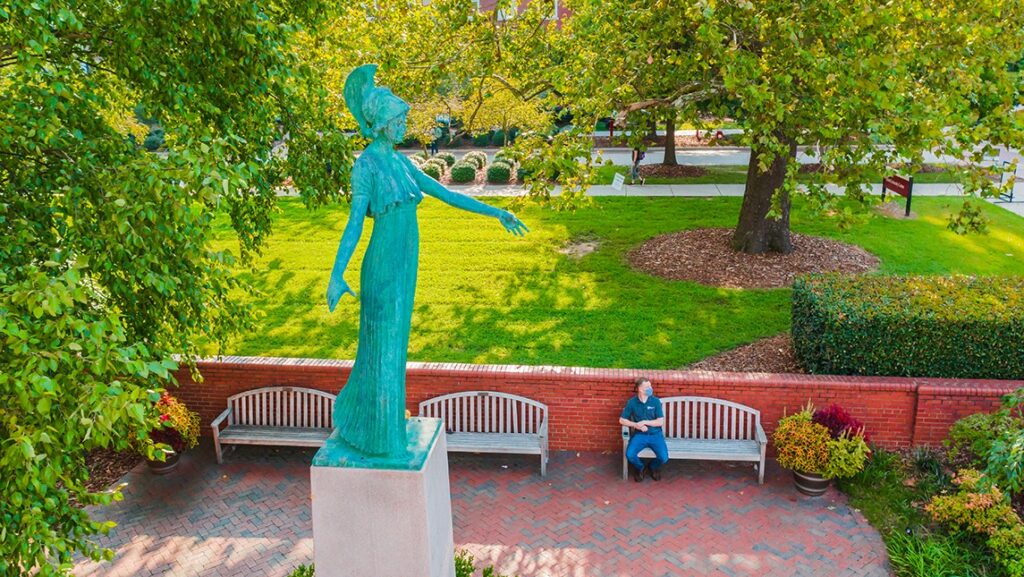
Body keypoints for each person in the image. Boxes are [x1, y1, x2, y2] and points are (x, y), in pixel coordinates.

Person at [326, 64, 528, 456]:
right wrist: (337, 274)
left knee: (394, 347)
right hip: (383, 266)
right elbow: (354, 226)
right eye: (399, 119)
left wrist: (497, 212)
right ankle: (377, 435)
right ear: (382, 123)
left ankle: (384, 429)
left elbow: (447, 194)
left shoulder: (401, 163)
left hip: (405, 264)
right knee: (381, 348)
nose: (405, 125)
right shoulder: (365, 166)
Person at [619, 377, 668, 481]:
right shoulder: (632, 403)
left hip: (656, 434)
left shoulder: (655, 401)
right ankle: (640, 468)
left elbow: (660, 422)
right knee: (630, 454)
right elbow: (622, 420)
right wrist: (636, 425)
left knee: (663, 457)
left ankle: (653, 467)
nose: (651, 388)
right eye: (647, 387)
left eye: (650, 386)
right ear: (640, 389)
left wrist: (645, 422)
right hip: (640, 435)